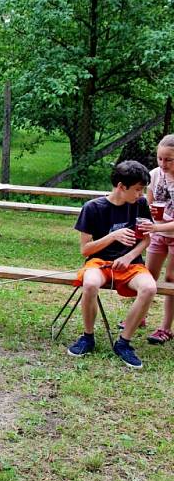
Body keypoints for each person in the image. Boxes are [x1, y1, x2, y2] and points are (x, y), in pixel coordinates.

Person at [67, 160, 156, 369]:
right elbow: (85, 250)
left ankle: (124, 343)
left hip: (131, 263)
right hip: (99, 262)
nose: (140, 195)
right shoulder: (93, 208)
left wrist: (129, 256)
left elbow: (146, 238)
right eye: (137, 189)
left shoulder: (140, 205)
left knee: (149, 288)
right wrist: (113, 236)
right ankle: (87, 338)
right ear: (121, 186)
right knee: (89, 284)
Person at [135, 135, 174, 344]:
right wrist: (149, 220)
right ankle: (139, 317)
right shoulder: (155, 175)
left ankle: (166, 328)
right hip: (157, 232)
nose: (163, 164)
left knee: (171, 280)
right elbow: (146, 205)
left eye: (168, 159)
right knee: (148, 275)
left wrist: (157, 225)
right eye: (160, 158)